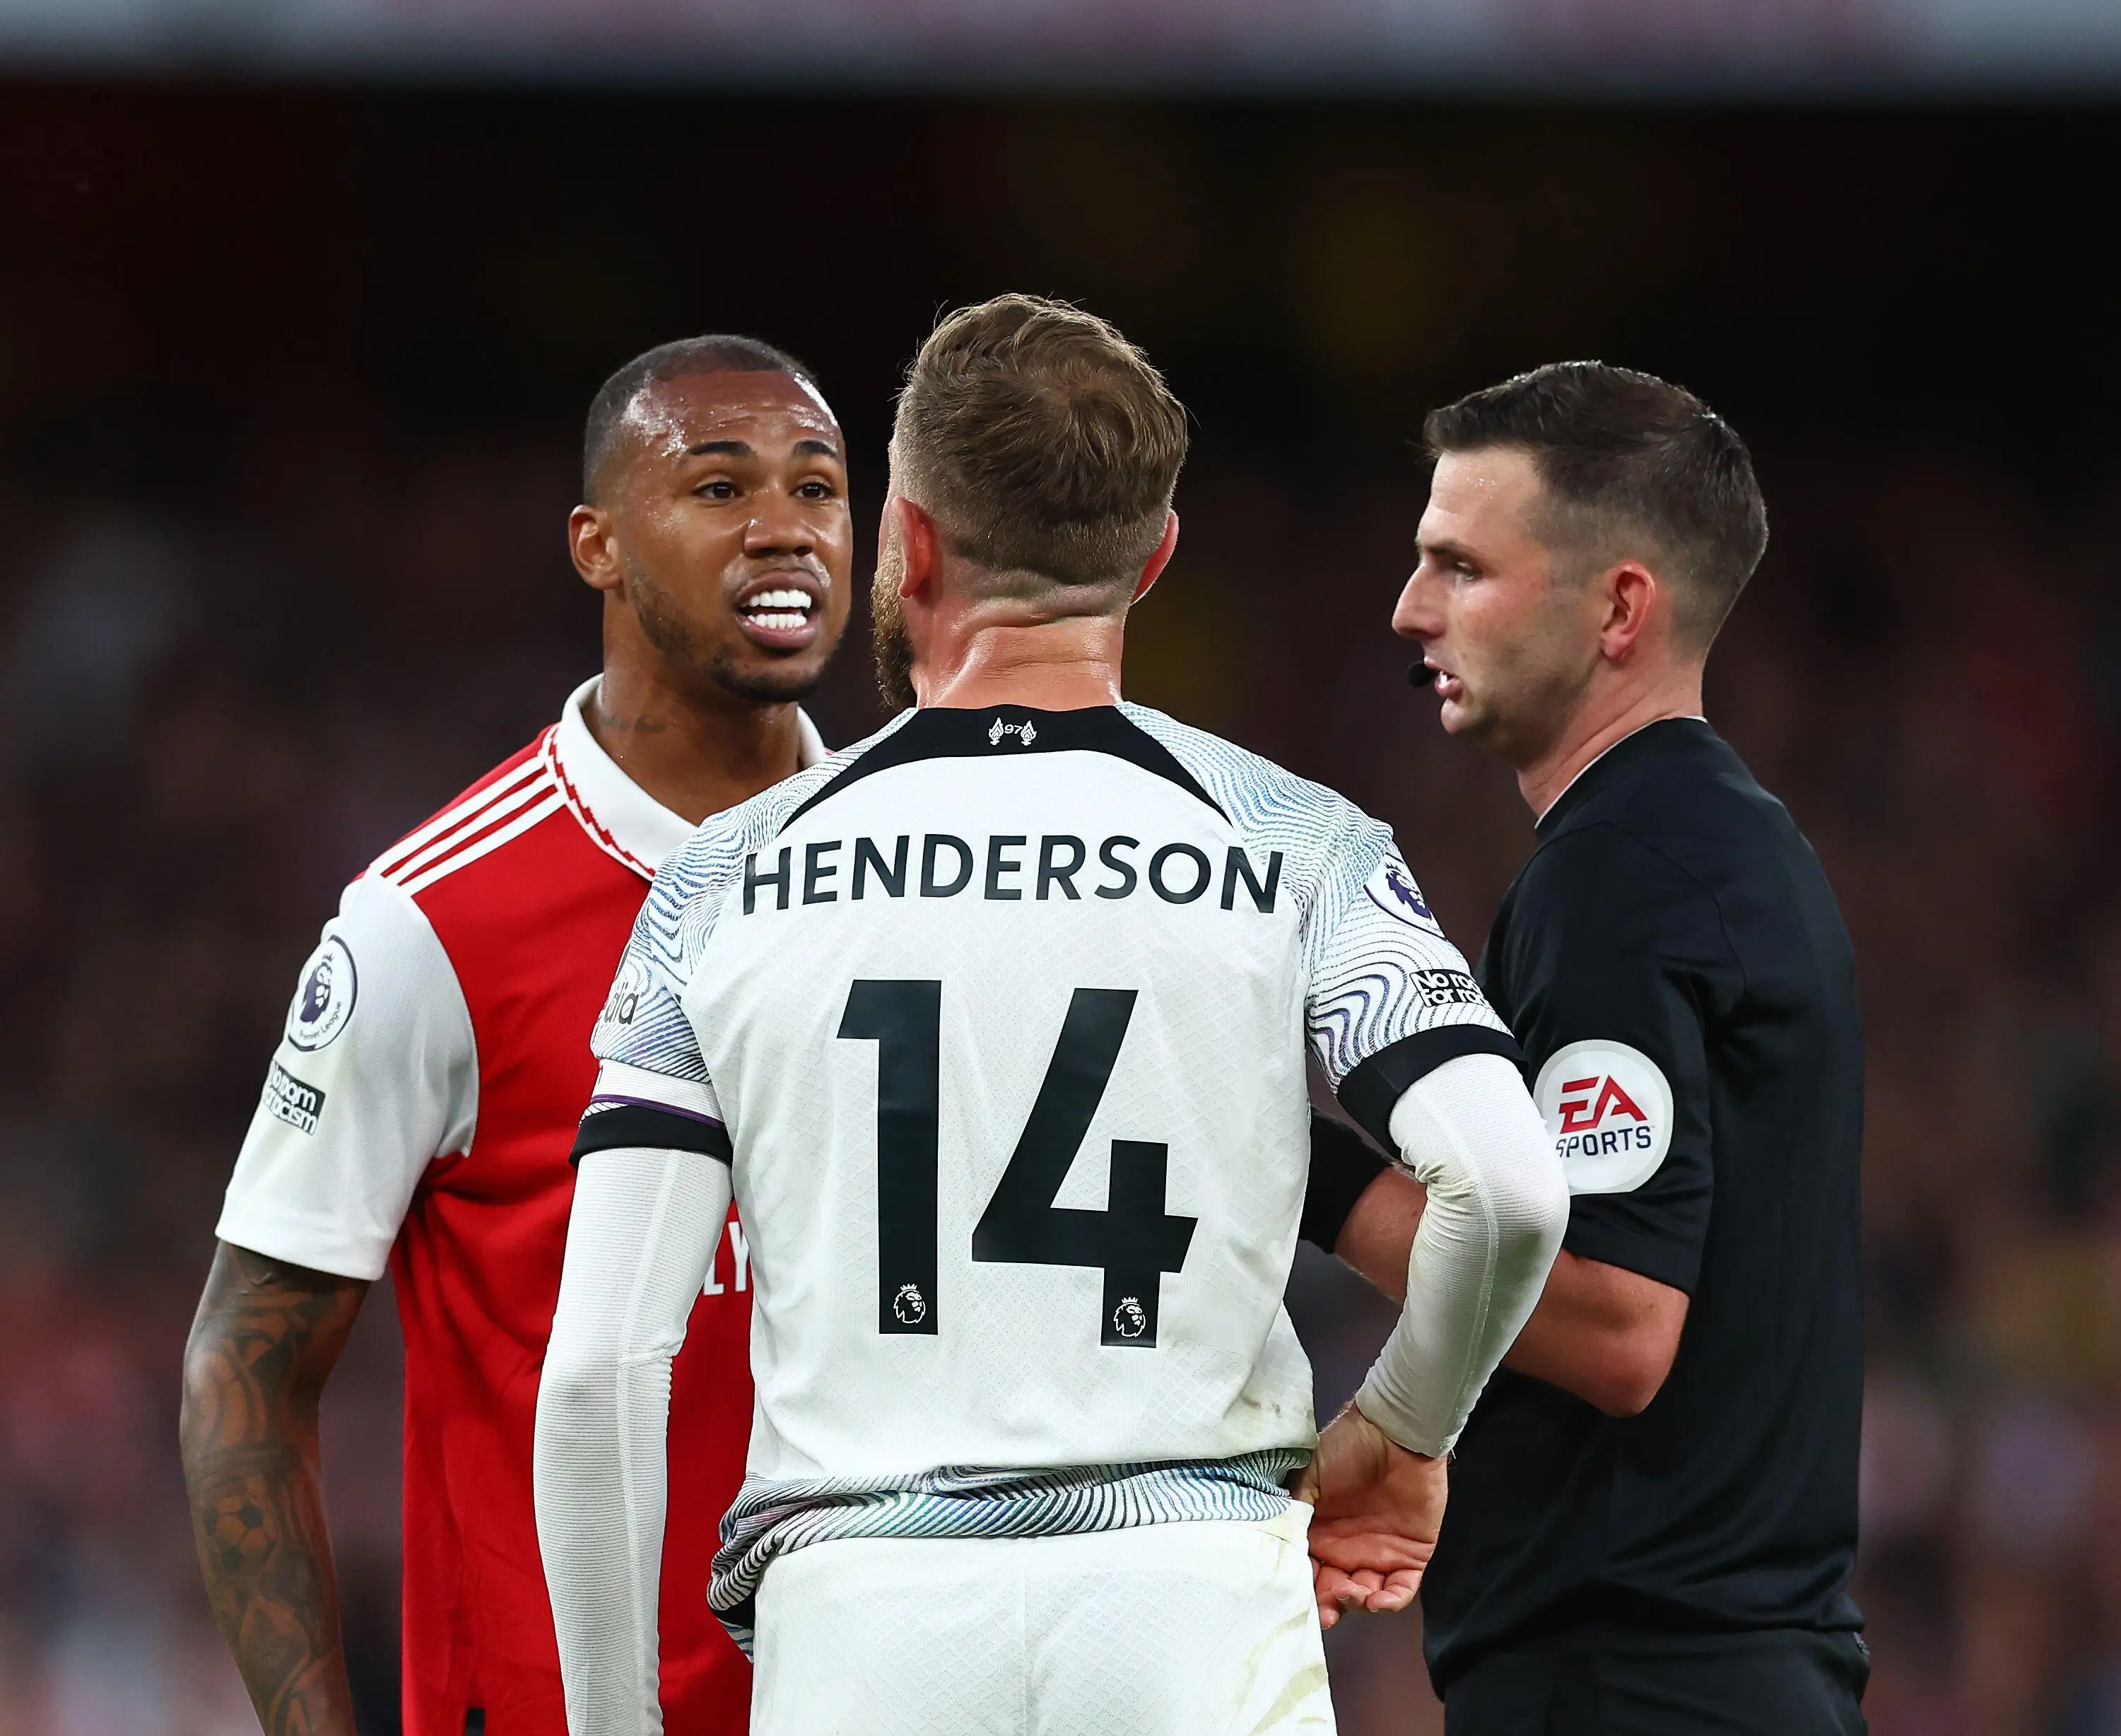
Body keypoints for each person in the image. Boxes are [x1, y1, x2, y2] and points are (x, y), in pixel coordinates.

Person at [530, 294, 1570, 1736]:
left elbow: (595, 1372)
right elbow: (1510, 1189)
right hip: (1197, 1600)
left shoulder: (724, 879)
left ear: (911, 543)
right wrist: (1402, 1431)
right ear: (1152, 557)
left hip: (863, 1612)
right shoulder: (1296, 844)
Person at [179, 335, 854, 1736]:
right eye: (720, 487)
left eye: (818, 485)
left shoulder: (913, 873)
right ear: (596, 545)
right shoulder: (431, 920)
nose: (783, 525)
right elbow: (243, 1366)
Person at [1306, 362, 1867, 1732]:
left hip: (1638, 1683)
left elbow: (1619, 1323)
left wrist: (1304, 1179)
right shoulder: (1725, 841)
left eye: (1460, 566)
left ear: (1619, 607)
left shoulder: (1623, 870)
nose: (1410, 608)